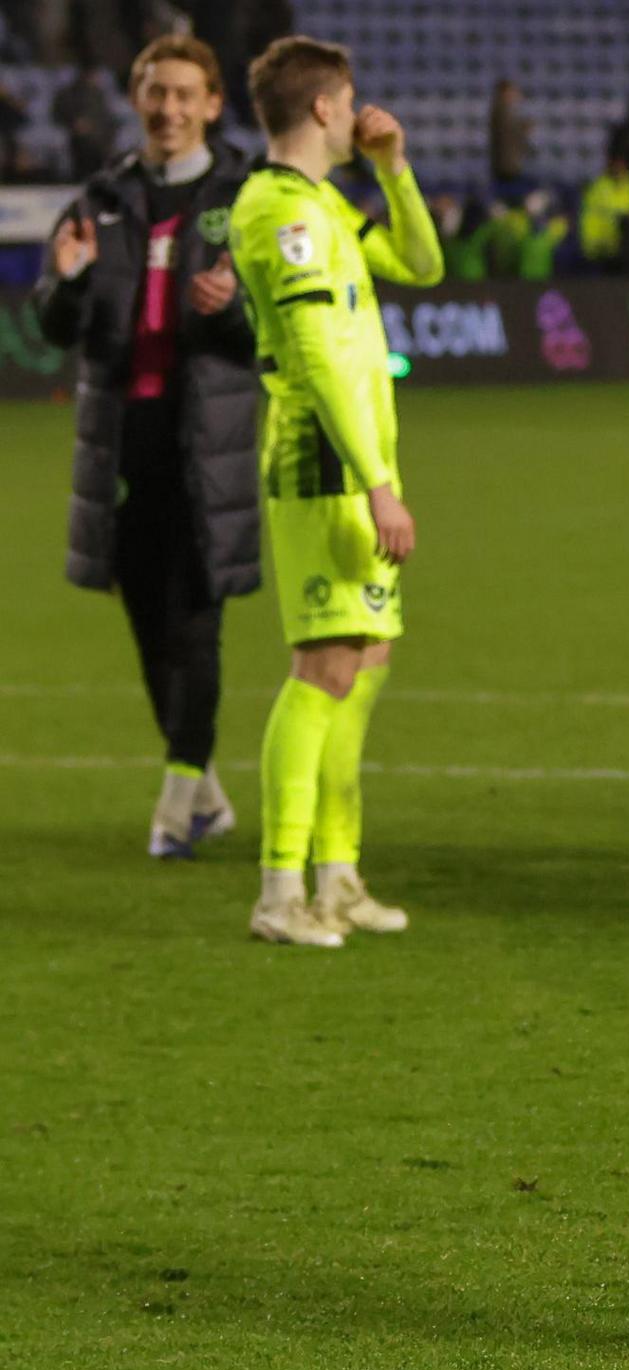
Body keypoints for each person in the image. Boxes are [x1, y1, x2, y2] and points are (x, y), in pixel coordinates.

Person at [229, 36, 442, 946]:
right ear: (324, 108)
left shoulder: (324, 206)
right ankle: (280, 892)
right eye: (350, 100)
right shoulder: (282, 212)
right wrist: (378, 485)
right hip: (325, 466)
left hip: (356, 465)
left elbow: (424, 264)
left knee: (363, 667)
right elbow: (316, 357)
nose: (358, 113)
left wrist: (395, 171)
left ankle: (338, 873)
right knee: (322, 667)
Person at [34, 35, 259, 860]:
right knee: (149, 632)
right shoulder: (98, 200)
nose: (168, 108)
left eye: (185, 94)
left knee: (196, 628)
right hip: (122, 449)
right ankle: (203, 787)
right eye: (156, 92)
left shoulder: (248, 197)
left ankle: (177, 798)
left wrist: (233, 308)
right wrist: (69, 281)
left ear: (211, 104)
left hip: (208, 451)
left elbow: (273, 331)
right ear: (138, 100)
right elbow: (53, 323)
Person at [52, 66, 116, 177]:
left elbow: (105, 116)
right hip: (72, 130)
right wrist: (74, 124)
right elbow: (58, 113)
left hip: (97, 132)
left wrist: (93, 125)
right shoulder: (67, 94)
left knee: (98, 142)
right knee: (80, 142)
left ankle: (99, 174)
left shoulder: (98, 95)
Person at [580, 154, 629, 269]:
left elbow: (628, 206)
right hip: (597, 236)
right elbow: (598, 207)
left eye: (621, 166)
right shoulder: (599, 184)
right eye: (616, 165)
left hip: (617, 237)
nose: (619, 169)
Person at [488, 77, 529, 192]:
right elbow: (509, 135)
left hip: (508, 163)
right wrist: (522, 129)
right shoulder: (501, 111)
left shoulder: (502, 110)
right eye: (512, 91)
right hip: (506, 165)